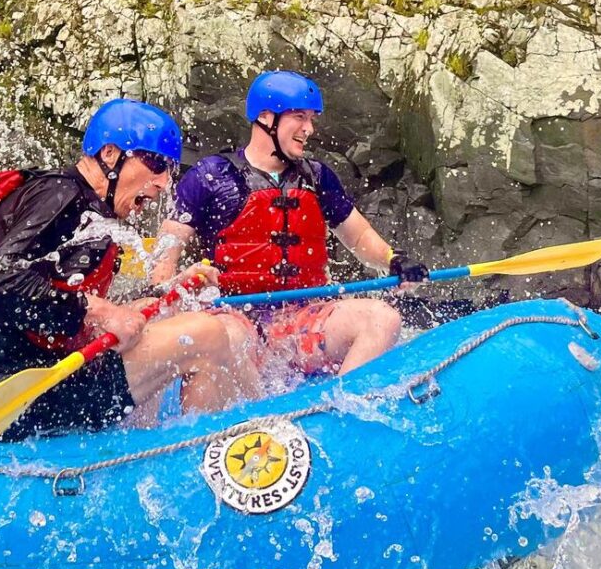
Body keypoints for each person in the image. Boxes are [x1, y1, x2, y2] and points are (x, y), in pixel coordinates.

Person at [0, 99, 258, 439]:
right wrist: (100, 312)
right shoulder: (59, 195)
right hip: (9, 394)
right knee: (204, 335)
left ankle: (173, 445)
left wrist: (169, 290)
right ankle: (226, 443)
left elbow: (67, 302)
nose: (164, 182)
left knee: (219, 330)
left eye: (168, 170)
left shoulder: (94, 213)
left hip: (51, 377)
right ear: (109, 154)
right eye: (154, 163)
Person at [150, 70, 423, 375]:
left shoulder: (318, 178)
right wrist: (168, 289)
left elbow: (358, 238)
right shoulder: (210, 176)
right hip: (234, 318)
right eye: (299, 117)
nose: (309, 129)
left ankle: (338, 410)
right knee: (231, 338)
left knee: (383, 318)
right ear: (266, 118)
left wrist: (392, 258)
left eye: (311, 119)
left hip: (303, 318)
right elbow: (166, 254)